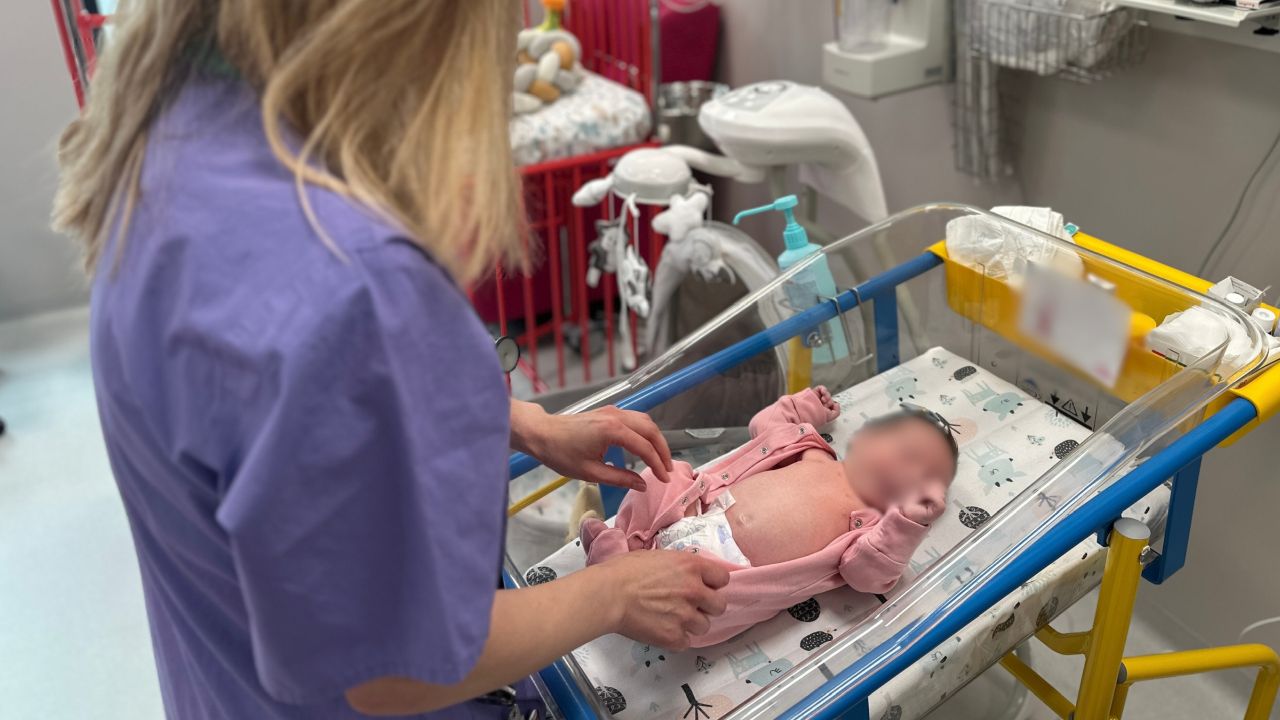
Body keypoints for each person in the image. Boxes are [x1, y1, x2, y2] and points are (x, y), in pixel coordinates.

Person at [52, 2, 728, 718]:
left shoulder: (173, 145)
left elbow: (277, 417)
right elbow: (395, 669)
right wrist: (615, 592)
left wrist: (519, 421)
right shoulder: (357, 288)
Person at [581, 388, 955, 647]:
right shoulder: (816, 453)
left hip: (727, 573)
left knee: (701, 610)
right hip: (692, 514)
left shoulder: (874, 523)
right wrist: (807, 407)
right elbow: (769, 423)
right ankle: (625, 544)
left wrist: (908, 524)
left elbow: (868, 576)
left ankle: (619, 568)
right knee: (662, 476)